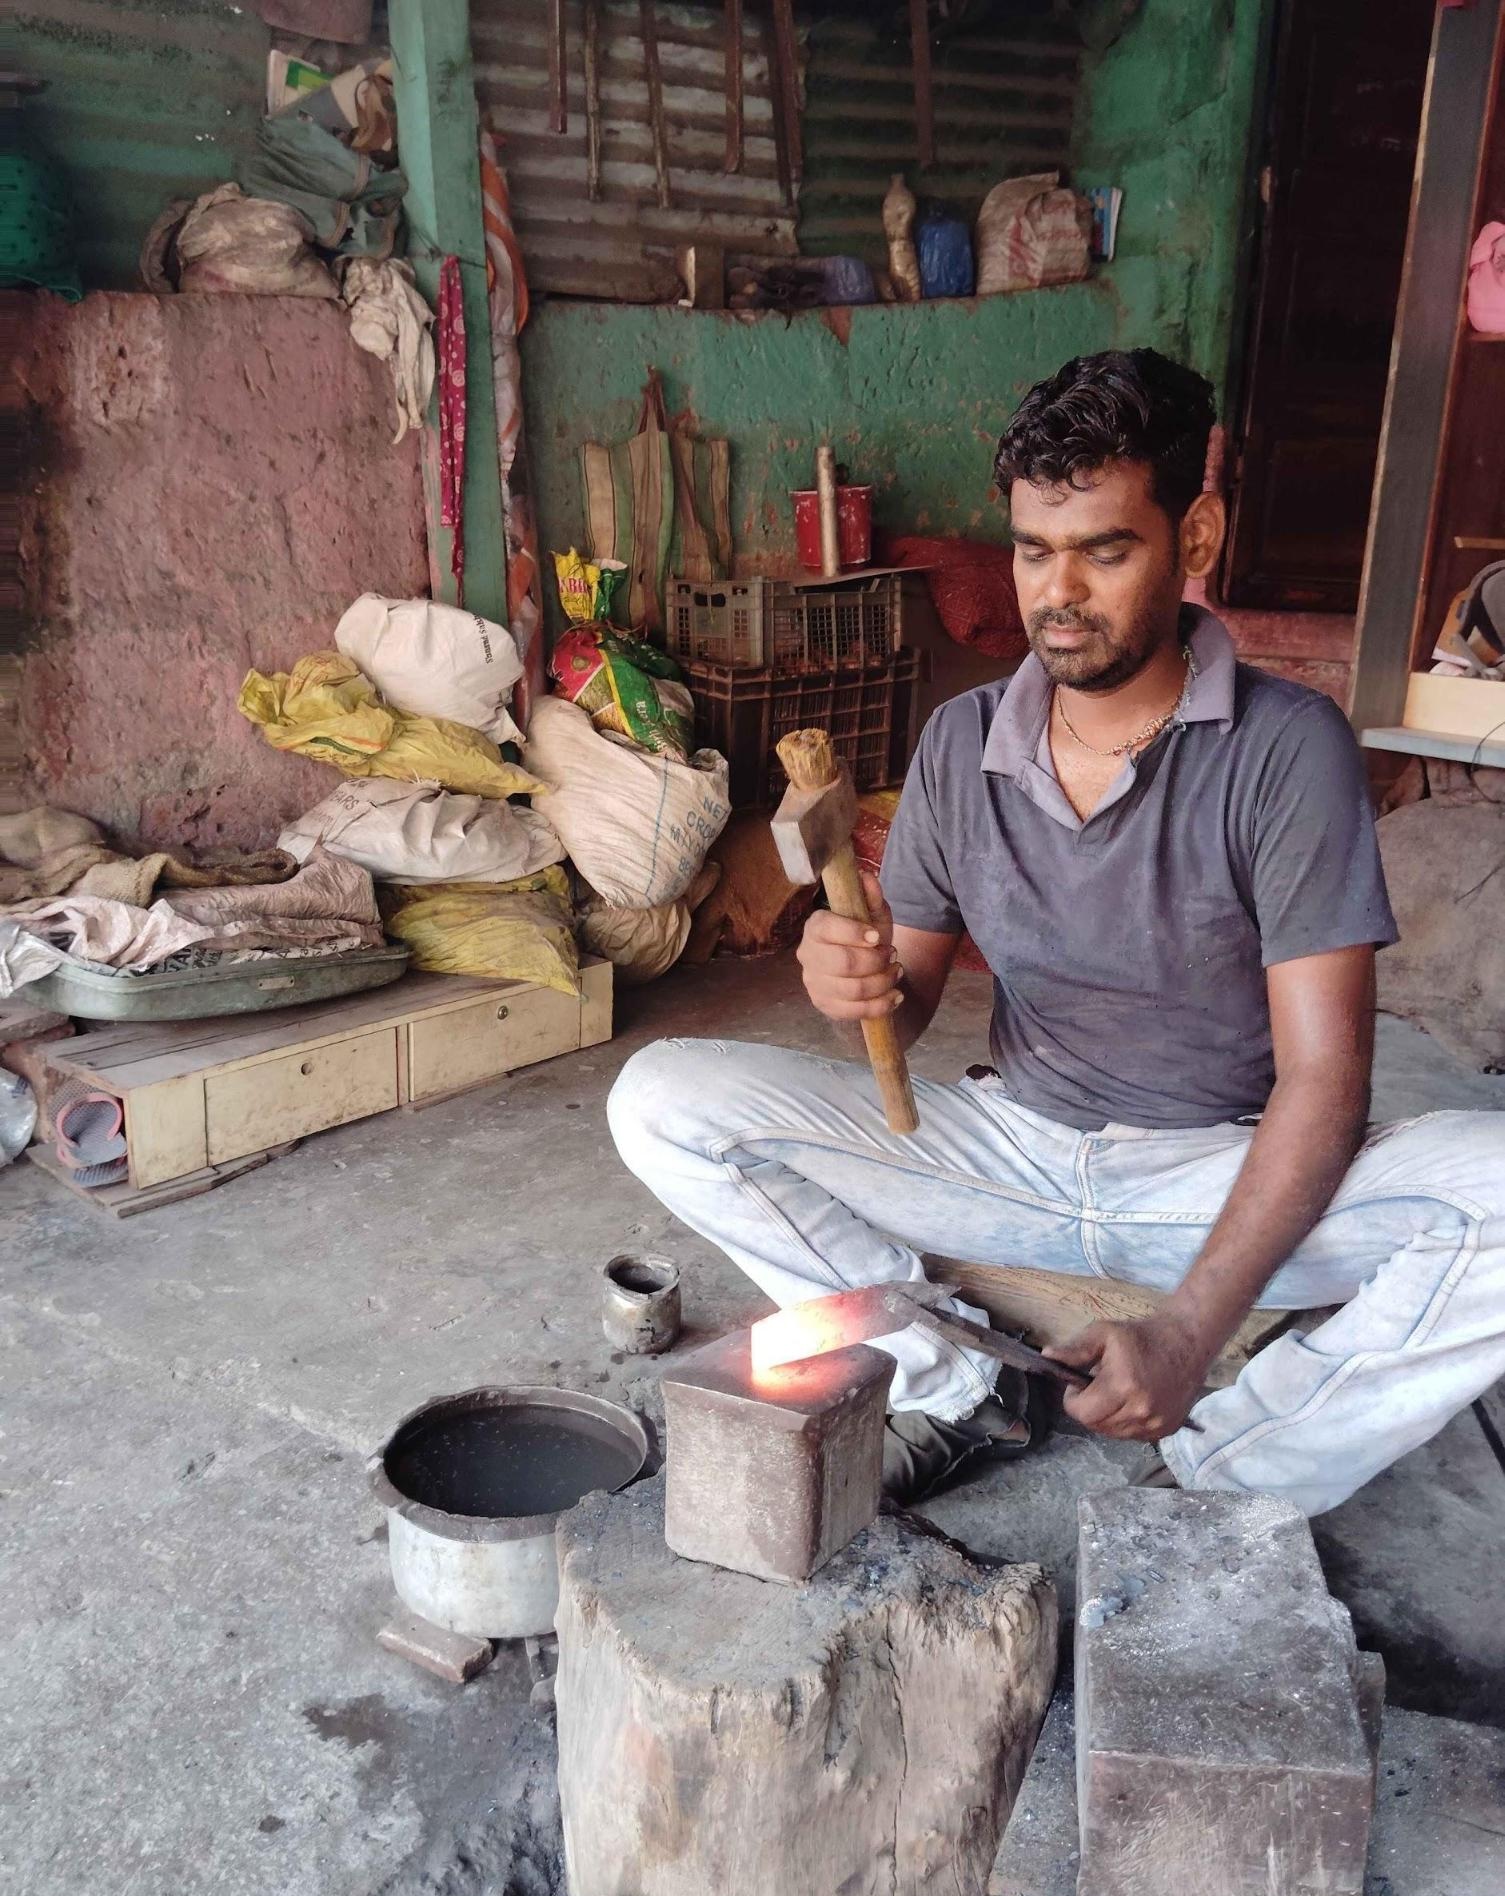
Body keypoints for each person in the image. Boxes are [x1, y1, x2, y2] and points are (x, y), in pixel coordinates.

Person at [608, 348, 1505, 1513]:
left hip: (1212, 1176)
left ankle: (1228, 1473)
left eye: (1103, 550)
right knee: (660, 1100)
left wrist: (1186, 1330)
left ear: (1194, 541)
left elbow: (1325, 1081)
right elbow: (912, 999)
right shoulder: (960, 742)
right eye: (1034, 550)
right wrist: (855, 986)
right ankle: (954, 1386)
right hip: (1010, 1154)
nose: (1056, 593)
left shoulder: (1288, 751)